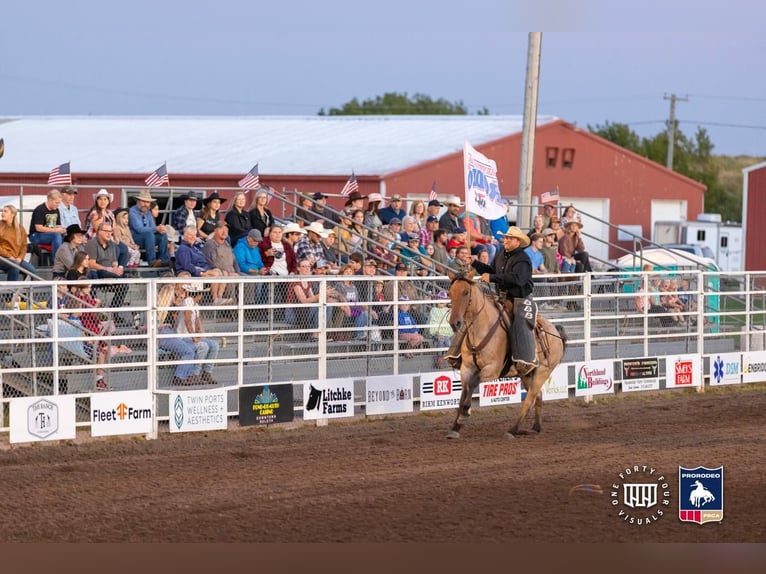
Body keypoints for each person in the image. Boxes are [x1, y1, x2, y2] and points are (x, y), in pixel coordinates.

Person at [445, 226, 537, 376]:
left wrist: (492, 278)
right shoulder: (501, 255)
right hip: (501, 296)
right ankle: (456, 354)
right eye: (506, 237)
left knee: (520, 322)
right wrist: (475, 263)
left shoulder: (523, 259)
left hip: (520, 298)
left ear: (517, 242)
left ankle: (523, 360)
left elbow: (518, 280)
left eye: (509, 238)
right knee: (473, 313)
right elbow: (492, 271)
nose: (506, 240)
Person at [156, 277, 199, 386]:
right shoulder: (159, 307)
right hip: (163, 334)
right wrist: (162, 325)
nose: (176, 297)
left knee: (194, 347)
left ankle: (188, 376)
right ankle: (179, 377)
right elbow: (155, 325)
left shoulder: (174, 306)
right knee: (188, 351)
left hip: (170, 332)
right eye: (174, 295)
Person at [176, 279, 220, 385]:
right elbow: (187, 320)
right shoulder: (188, 301)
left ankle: (207, 372)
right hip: (183, 336)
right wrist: (194, 337)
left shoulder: (195, 305)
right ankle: (194, 374)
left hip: (191, 336)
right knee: (203, 346)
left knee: (214, 345)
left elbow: (197, 321)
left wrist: (200, 333)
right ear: (198, 294)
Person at [175, 225, 231, 305]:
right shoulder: (183, 249)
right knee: (216, 274)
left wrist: (208, 270)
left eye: (194, 235)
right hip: (191, 274)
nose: (193, 237)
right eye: (190, 235)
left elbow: (204, 262)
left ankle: (219, 297)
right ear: (185, 235)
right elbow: (187, 266)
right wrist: (201, 273)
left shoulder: (195, 248)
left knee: (223, 272)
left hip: (202, 270)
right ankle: (215, 299)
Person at [129, 189, 170, 267]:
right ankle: (152, 261)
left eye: (147, 202)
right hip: (135, 239)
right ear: (138, 201)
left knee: (163, 235)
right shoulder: (132, 212)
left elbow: (152, 226)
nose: (146, 204)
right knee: (149, 234)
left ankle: (164, 260)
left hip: (148, 239)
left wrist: (160, 229)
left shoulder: (148, 213)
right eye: (143, 201)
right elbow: (139, 229)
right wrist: (156, 229)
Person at [202, 221, 240, 301]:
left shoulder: (227, 244)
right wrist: (228, 273)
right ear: (215, 231)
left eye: (226, 230)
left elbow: (234, 260)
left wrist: (238, 272)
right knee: (230, 281)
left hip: (232, 272)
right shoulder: (210, 244)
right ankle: (230, 310)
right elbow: (213, 263)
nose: (224, 232)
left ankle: (248, 309)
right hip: (222, 273)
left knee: (249, 280)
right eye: (222, 229)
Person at [285, 259, 322, 336]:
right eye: (304, 266)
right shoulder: (296, 280)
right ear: (298, 268)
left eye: (308, 266)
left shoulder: (307, 280)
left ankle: (317, 332)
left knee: (327, 306)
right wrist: (319, 296)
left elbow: (312, 298)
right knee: (318, 307)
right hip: (292, 313)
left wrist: (322, 296)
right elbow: (303, 301)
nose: (307, 268)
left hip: (304, 311)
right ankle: (315, 334)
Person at [0, 204, 37, 280]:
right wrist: (9, 256)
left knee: (32, 270)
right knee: (14, 265)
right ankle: (11, 290)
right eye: (2, 211)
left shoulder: (20, 228)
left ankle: (22, 290)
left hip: (16, 258)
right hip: (2, 257)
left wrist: (20, 257)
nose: (2, 213)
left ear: (12, 214)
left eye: (5, 211)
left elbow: (24, 245)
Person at [29, 188, 66, 257]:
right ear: (50, 200)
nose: (58, 205)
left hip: (51, 234)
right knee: (56, 235)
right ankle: (56, 262)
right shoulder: (40, 209)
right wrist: (55, 230)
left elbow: (58, 225)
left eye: (59, 203)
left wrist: (63, 229)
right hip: (36, 235)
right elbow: (38, 228)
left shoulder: (56, 210)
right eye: (56, 203)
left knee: (70, 236)